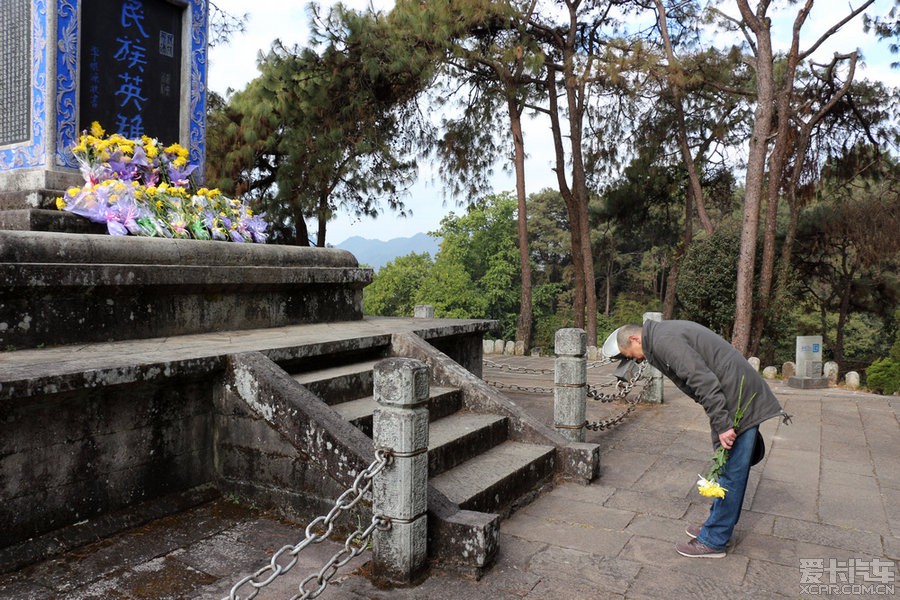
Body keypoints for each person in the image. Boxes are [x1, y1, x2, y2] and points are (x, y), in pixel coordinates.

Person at [602, 320, 790, 559]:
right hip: (733, 394)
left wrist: (723, 425)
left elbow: (703, 380)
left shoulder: (664, 341)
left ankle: (714, 540)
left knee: (731, 469)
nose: (636, 361)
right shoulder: (660, 335)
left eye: (632, 356)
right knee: (725, 466)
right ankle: (716, 524)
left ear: (635, 339)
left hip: (735, 398)